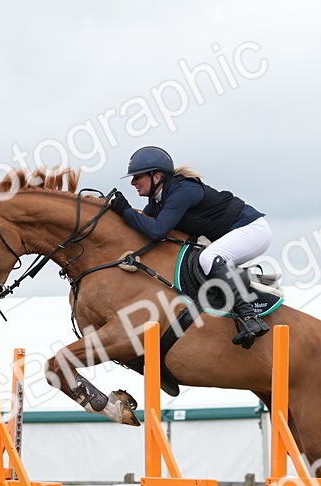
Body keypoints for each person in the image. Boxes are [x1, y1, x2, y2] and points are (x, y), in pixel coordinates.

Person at [109, 146, 271, 348]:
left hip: (251, 229)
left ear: (157, 176)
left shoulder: (183, 190)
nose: (133, 182)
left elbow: (157, 230)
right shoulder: (158, 200)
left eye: (137, 176)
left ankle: (249, 318)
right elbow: (145, 223)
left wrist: (125, 211)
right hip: (231, 234)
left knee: (208, 258)